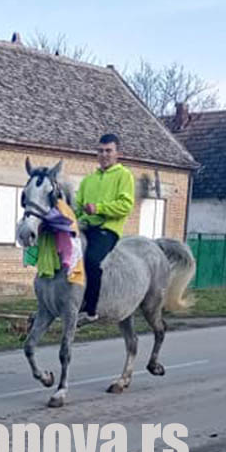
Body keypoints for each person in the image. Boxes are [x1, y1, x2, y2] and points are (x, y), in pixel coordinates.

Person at [74, 133, 135, 321]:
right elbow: (77, 207)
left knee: (91, 260)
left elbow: (126, 205)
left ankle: (90, 309)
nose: (104, 155)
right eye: (100, 151)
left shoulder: (124, 176)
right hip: (85, 227)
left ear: (118, 153)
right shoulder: (88, 180)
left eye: (109, 151)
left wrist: (99, 208)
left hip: (107, 229)